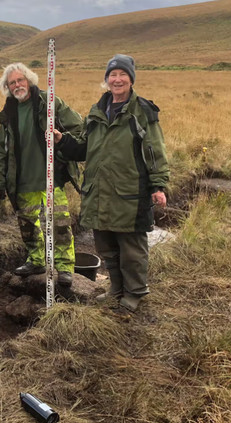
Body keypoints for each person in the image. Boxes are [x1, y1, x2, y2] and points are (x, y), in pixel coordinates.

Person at [56, 54, 169, 312]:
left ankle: (136, 293)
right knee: (106, 246)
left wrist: (158, 185)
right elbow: (84, 148)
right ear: (106, 80)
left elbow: (154, 151)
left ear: (131, 79)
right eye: (112, 75)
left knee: (131, 248)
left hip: (130, 192)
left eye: (122, 75)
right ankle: (116, 290)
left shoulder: (142, 111)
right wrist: (62, 140)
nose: (117, 80)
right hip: (99, 192)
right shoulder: (97, 112)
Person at [0, 62, 84, 289]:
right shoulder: (8, 112)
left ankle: (64, 267)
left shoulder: (49, 102)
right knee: (28, 225)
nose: (17, 85)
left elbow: (79, 127)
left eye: (20, 80)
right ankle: (36, 261)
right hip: (22, 179)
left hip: (52, 176)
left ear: (29, 80)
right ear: (7, 87)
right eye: (12, 82)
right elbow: (2, 150)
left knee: (60, 224)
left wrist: (60, 138)